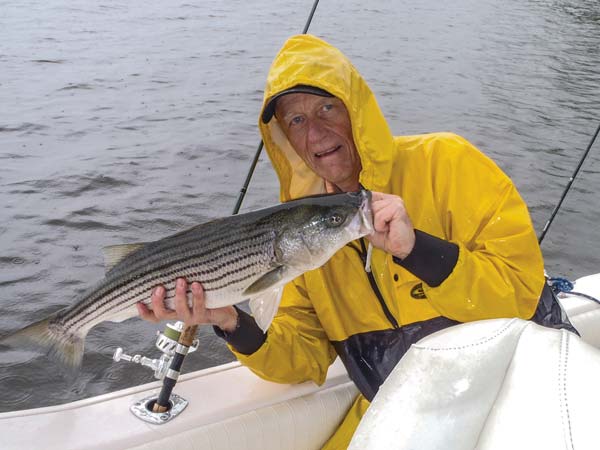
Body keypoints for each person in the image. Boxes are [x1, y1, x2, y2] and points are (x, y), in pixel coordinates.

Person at [138, 34, 574, 449]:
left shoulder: (448, 162)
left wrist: (415, 249)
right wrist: (231, 320)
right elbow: (299, 359)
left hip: (527, 382)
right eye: (296, 120)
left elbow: (520, 296)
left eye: (328, 108)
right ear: (285, 140)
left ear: (357, 109)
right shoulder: (296, 234)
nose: (316, 133)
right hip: (408, 410)